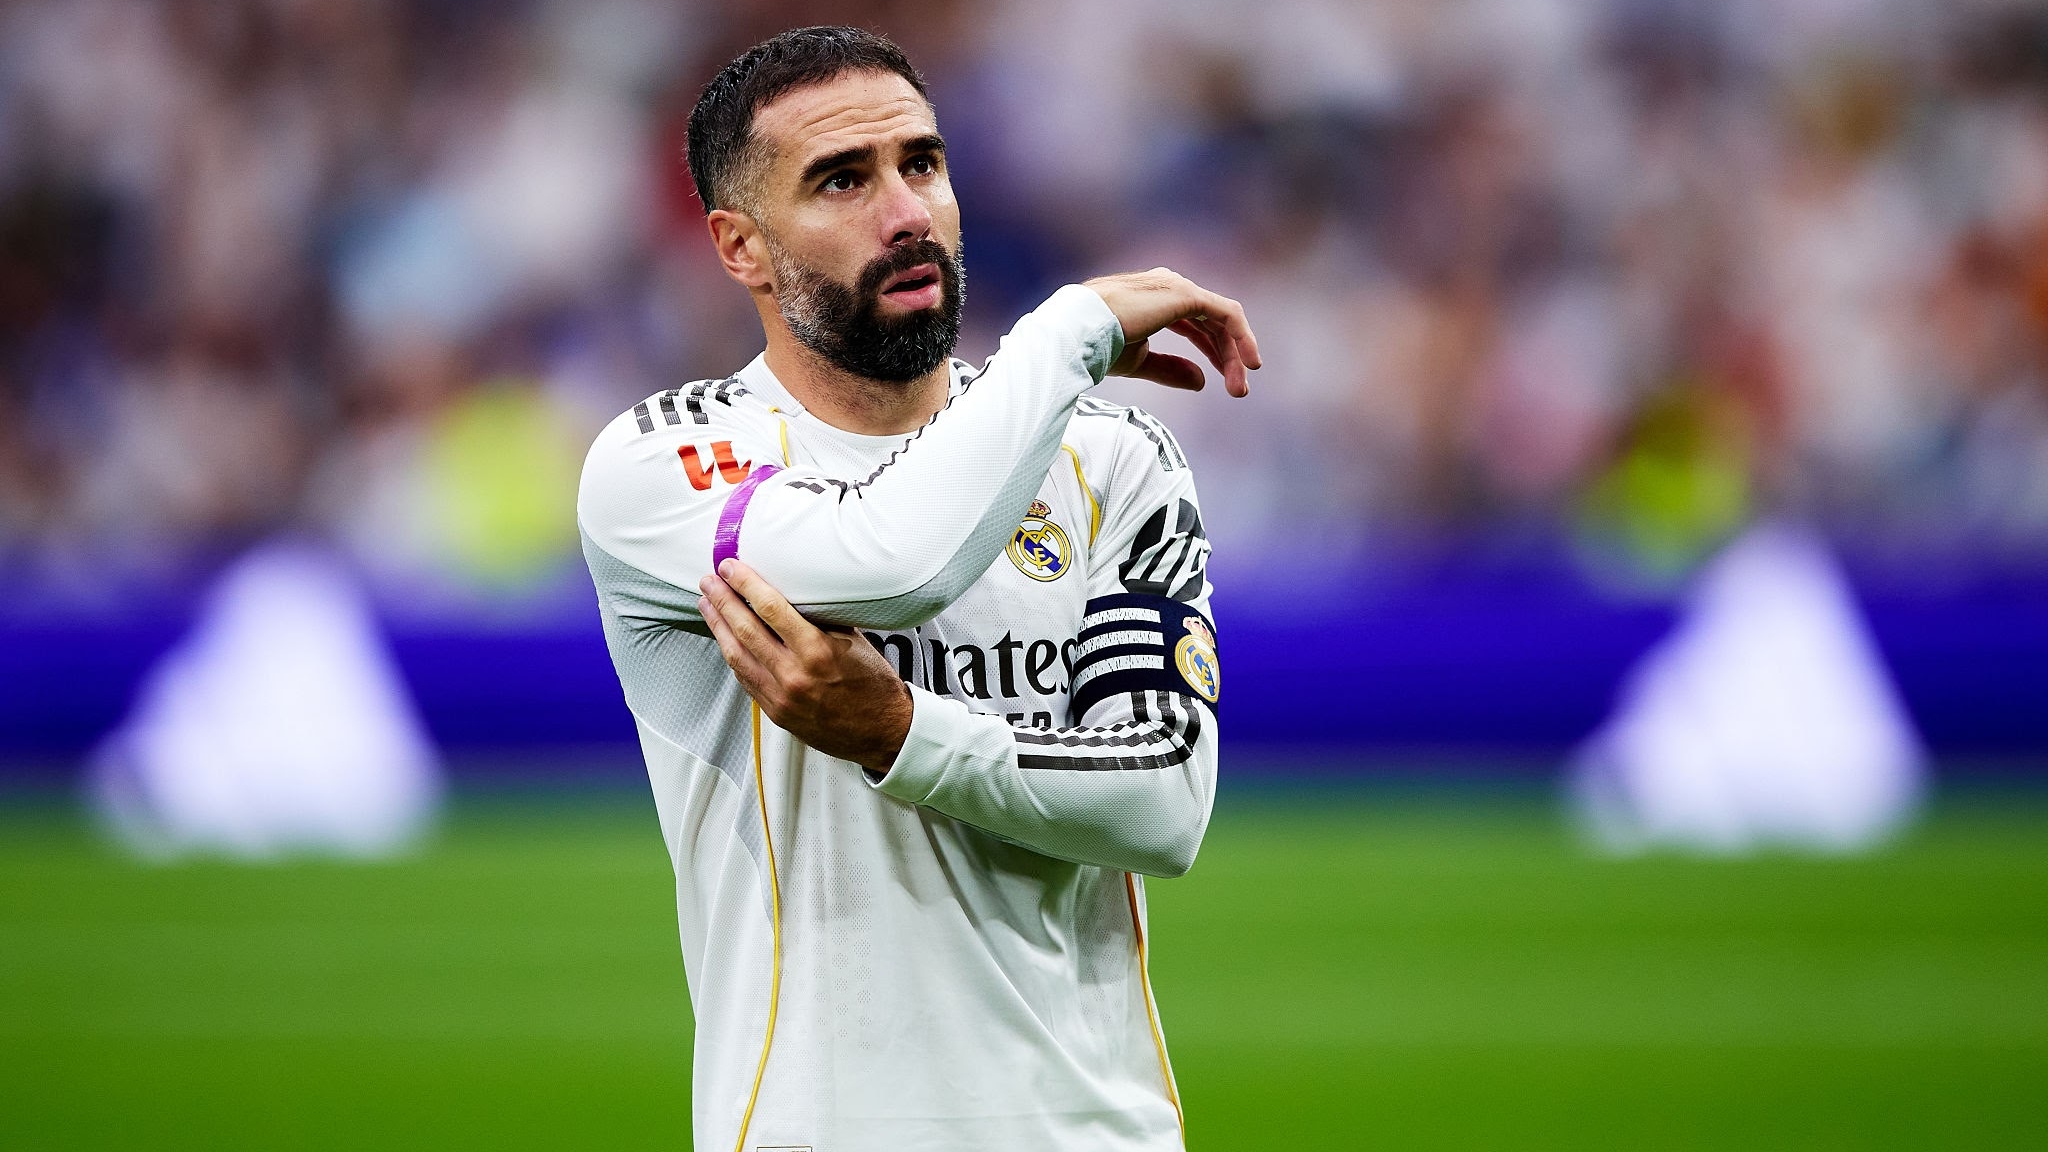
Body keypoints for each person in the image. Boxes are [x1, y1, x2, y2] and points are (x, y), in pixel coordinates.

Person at [576, 26, 1259, 1152]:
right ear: (738, 245)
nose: (904, 212)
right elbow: (896, 561)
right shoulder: (671, 465)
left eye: (921, 164)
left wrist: (900, 729)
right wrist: (1072, 331)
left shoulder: (1112, 458)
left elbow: (1163, 805)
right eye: (841, 180)